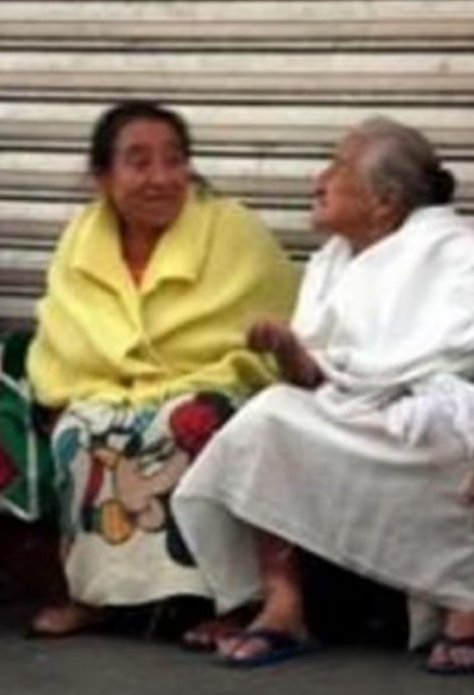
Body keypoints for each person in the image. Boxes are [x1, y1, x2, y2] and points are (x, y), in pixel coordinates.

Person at [173, 117, 474, 673]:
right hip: (359, 415)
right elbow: (322, 381)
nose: (318, 180)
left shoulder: (456, 252)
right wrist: (287, 348)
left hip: (444, 424)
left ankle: (468, 607)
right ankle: (284, 606)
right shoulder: (334, 262)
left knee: (447, 432)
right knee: (264, 422)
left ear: (384, 202)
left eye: (336, 167)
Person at [24, 101, 298, 643]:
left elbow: (271, 327)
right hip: (109, 386)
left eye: (174, 161)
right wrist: (92, 390)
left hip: (214, 379)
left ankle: (226, 601)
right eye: (139, 162)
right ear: (103, 176)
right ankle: (93, 595)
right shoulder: (82, 237)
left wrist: (170, 388)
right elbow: (65, 328)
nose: (161, 178)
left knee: (190, 421)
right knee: (81, 431)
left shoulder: (233, 229)